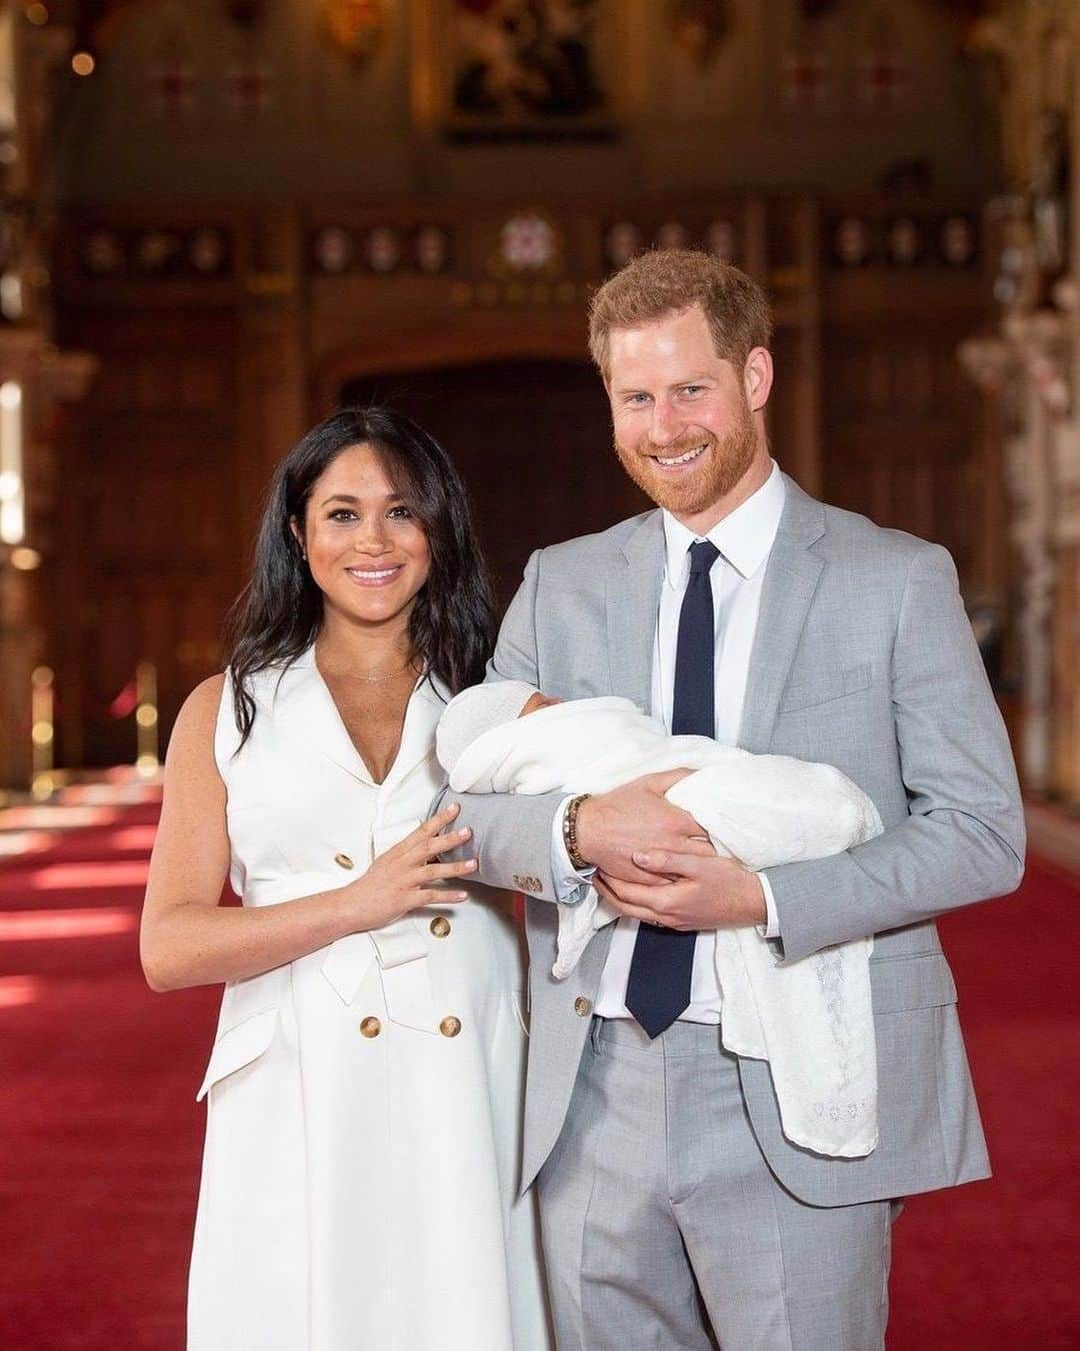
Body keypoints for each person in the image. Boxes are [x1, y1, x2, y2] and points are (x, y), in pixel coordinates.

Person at [442, 250, 1026, 1350]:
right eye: (635, 397)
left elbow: (983, 832)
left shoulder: (894, 576)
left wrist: (761, 895)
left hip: (795, 1073)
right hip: (591, 1084)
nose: (665, 426)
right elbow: (462, 806)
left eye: (691, 388)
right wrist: (577, 828)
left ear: (755, 377)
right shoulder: (560, 581)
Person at [139, 407, 552, 1351]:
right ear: (298, 531)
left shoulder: (498, 697)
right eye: (342, 513)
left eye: (402, 512)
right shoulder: (229, 707)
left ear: (438, 529)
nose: (374, 540)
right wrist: (355, 903)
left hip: (472, 1073)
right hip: (295, 1079)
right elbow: (170, 946)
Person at [436, 678, 884, 1160]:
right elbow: (456, 818)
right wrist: (580, 829)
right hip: (595, 1064)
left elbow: (971, 825)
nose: (562, 704)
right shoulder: (545, 612)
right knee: (788, 808)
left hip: (753, 1045)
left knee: (805, 804)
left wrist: (764, 898)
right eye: (545, 706)